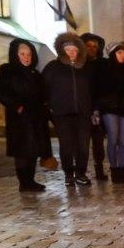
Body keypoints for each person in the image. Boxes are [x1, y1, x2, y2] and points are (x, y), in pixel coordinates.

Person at [0, 38, 50, 191]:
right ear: (15, 54)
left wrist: (45, 107)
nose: (26, 57)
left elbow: (43, 94)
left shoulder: (35, 74)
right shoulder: (6, 70)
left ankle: (30, 180)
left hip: (36, 117)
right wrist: (16, 105)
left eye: (29, 54)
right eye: (22, 54)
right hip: (20, 118)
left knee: (34, 150)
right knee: (23, 151)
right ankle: (24, 183)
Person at [42, 32, 94, 186]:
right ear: (62, 50)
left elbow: (93, 89)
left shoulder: (85, 68)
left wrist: (92, 108)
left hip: (83, 113)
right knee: (66, 146)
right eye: (68, 49)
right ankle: (69, 174)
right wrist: (49, 107)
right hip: (62, 114)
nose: (72, 52)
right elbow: (44, 89)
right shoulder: (53, 67)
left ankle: (81, 173)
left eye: (75, 50)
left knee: (83, 145)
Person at [97, 41, 124, 183]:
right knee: (113, 138)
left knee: (123, 140)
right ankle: (114, 168)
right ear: (112, 54)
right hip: (110, 108)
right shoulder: (105, 69)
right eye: (119, 52)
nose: (123, 55)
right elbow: (99, 90)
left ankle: (122, 168)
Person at [80, 32, 108, 180]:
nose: (92, 49)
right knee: (82, 142)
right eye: (88, 46)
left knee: (98, 142)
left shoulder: (102, 64)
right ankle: (81, 172)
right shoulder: (78, 65)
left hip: (98, 109)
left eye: (95, 46)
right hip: (82, 109)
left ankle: (99, 168)